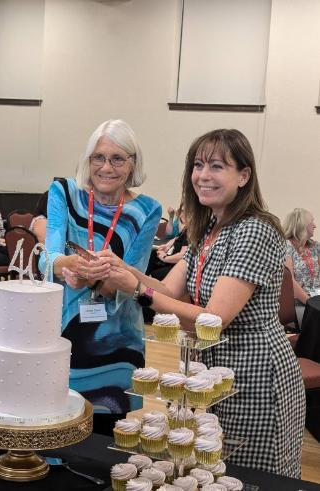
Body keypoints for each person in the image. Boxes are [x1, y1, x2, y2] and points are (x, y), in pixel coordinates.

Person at [103, 129, 305, 478]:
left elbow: (214, 318)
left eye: (216, 166)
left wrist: (137, 289)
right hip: (214, 372)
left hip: (254, 372)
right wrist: (123, 267)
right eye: (198, 165)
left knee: (250, 474)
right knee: (216, 469)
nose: (203, 175)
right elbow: (166, 287)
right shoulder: (211, 228)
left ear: (244, 176)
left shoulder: (254, 230)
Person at [40, 119, 161, 435]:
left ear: (133, 163)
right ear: (87, 160)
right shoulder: (64, 193)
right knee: (57, 422)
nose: (106, 167)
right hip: (63, 329)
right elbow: (47, 258)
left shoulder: (148, 209)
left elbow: (130, 282)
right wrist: (72, 265)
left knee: (106, 430)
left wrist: (91, 276)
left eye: (118, 158)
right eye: (98, 157)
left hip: (117, 339)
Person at [283, 208, 320, 327]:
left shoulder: (314, 246)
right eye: (312, 222)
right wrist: (311, 303)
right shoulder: (287, 247)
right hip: (300, 304)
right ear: (302, 225)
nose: (315, 226)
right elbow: (290, 282)